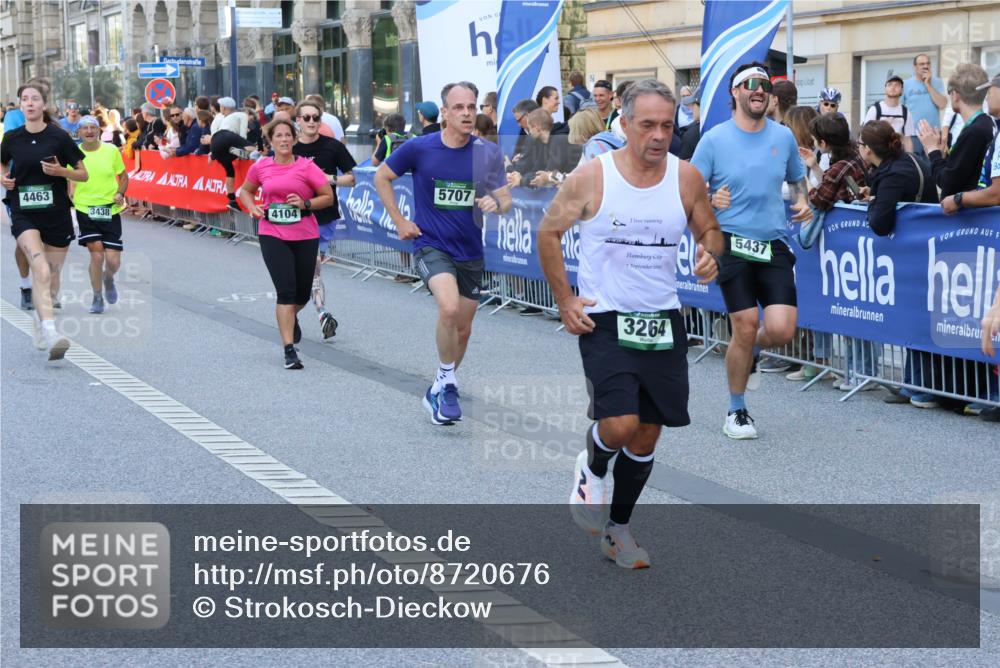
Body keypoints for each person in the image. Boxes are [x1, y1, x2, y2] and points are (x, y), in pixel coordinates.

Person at [537, 78, 723, 569]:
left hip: (662, 318)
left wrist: (710, 253)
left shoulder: (685, 178)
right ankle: (592, 465)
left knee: (646, 435)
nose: (660, 135)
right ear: (623, 125)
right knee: (618, 425)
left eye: (667, 125)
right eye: (648, 125)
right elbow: (549, 232)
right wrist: (565, 298)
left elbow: (710, 229)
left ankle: (618, 530)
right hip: (605, 315)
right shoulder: (592, 177)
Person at [374, 81, 512, 425]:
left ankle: (440, 383)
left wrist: (493, 201)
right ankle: (449, 383)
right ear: (446, 113)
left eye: (472, 106)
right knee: (448, 307)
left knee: (463, 329)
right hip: (430, 244)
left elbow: (506, 199)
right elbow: (381, 176)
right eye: (460, 107)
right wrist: (400, 219)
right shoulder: (420, 148)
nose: (467, 113)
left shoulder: (487, 153)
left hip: (470, 250)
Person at [691, 62, 812, 440]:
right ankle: (737, 410)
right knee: (743, 324)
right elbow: (689, 193)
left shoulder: (783, 136)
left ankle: (750, 349)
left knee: (780, 329)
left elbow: (797, 180)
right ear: (736, 92)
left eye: (765, 85)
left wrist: (803, 201)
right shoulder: (713, 139)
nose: (759, 90)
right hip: (731, 243)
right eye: (751, 84)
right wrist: (710, 198)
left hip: (773, 243)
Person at [237, 118, 335, 369]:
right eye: (278, 136)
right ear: (270, 140)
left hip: (305, 233)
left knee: (302, 293)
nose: (283, 140)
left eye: (288, 135)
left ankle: (291, 318)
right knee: (286, 292)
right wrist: (252, 208)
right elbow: (245, 191)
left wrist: (306, 204)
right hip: (272, 233)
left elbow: (328, 197)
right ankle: (289, 350)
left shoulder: (306, 167)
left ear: (294, 138)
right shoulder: (261, 167)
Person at [1, 83, 88, 360]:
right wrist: (3, 178)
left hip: (57, 213)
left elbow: (83, 174)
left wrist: (61, 171)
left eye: (34, 99)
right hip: (24, 211)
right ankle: (51, 332)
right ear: (20, 105)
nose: (29, 103)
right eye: (24, 99)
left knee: (51, 278)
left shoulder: (59, 137)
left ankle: (41, 322)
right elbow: (2, 165)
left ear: (43, 105)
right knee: (39, 268)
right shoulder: (12, 137)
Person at [292, 101, 357, 339]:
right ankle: (295, 313)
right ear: (297, 119)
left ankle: (321, 314)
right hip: (293, 218)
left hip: (323, 217)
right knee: (301, 273)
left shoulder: (332, 147)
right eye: (306, 117)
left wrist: (329, 178)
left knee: (313, 269)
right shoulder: (288, 146)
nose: (311, 122)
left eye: (315, 117)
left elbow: (353, 178)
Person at [72, 116, 128, 314]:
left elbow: (123, 175)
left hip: (110, 209)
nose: (89, 131)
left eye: (92, 127)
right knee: (96, 254)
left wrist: (120, 192)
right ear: (78, 132)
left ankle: (108, 278)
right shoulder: (73, 153)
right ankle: (97, 297)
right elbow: (66, 176)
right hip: (85, 208)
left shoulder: (111, 150)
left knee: (113, 260)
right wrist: (69, 195)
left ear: (99, 131)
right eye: (84, 128)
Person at [918, 63, 993, 199]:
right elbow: (962, 174)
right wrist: (943, 157)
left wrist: (932, 151)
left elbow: (948, 183)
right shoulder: (986, 124)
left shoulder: (974, 131)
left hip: (966, 218)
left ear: (955, 95)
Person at [941, 73, 1000, 214]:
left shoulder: (977, 130)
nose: (986, 97)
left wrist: (958, 199)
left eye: (990, 91)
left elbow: (997, 194)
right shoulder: (993, 127)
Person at [209, 96, 254, 211]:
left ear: (223, 107)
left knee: (229, 171)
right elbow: (243, 134)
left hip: (216, 143)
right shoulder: (242, 115)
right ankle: (244, 154)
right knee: (254, 149)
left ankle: (232, 200)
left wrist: (212, 153)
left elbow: (214, 133)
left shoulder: (221, 118)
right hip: (226, 137)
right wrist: (247, 146)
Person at [903, 54, 948, 154]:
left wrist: (928, 84)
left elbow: (942, 104)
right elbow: (900, 109)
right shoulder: (905, 84)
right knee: (916, 167)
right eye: (922, 64)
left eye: (928, 63)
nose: (925, 66)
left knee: (934, 165)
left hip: (934, 134)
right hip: (914, 135)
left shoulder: (937, 82)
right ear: (915, 67)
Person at [863, 74, 914, 153]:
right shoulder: (875, 109)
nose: (893, 87)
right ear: (885, 89)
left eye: (897, 85)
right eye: (890, 85)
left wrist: (910, 158)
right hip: (878, 154)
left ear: (902, 90)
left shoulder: (906, 112)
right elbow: (865, 134)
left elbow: (907, 139)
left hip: (897, 154)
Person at [677, 86, 702, 160]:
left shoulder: (690, 135)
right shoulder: (678, 108)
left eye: (693, 103)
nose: (691, 107)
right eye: (683, 96)